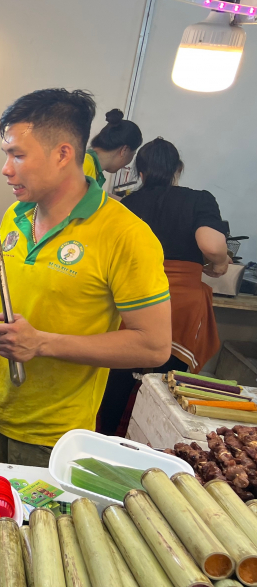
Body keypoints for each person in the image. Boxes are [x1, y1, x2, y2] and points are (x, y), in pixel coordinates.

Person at [0, 88, 171, 465]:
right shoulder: (16, 216)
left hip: (49, 438)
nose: (6, 168)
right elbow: (8, 293)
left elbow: (153, 346)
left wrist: (42, 344)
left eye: (18, 155)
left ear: (63, 153)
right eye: (6, 155)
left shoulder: (126, 236)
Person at [98, 138, 230, 436]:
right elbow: (210, 244)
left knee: (118, 376)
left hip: (131, 298)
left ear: (139, 171)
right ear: (177, 170)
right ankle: (154, 442)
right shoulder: (199, 199)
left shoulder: (125, 203)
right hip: (180, 303)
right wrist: (221, 265)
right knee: (165, 384)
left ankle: (105, 437)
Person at [84, 109, 143, 186]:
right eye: (133, 154)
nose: (126, 165)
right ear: (124, 150)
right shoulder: (85, 166)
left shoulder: (91, 166)